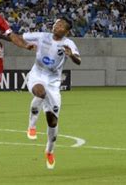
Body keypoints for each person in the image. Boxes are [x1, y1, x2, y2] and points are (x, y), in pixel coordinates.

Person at [22, 18, 81, 169]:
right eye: (56, 23)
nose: (57, 26)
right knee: (39, 92)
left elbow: (78, 60)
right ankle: (32, 125)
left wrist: (71, 55)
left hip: (54, 83)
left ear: (66, 31)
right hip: (37, 75)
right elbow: (21, 36)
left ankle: (49, 150)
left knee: (52, 121)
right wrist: (4, 35)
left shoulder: (69, 43)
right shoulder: (42, 36)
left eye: (61, 25)